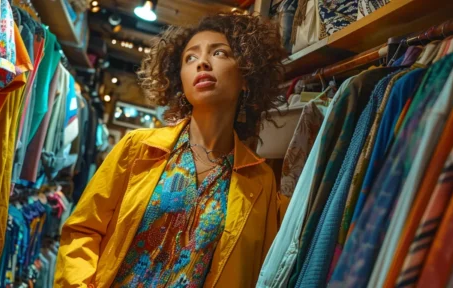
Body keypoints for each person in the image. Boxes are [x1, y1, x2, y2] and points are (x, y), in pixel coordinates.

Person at [56, 13, 289, 287]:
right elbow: (83, 229)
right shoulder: (139, 148)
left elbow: (255, 274)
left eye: (220, 53)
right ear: (180, 80)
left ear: (247, 76)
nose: (202, 62)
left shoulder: (259, 181)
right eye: (190, 58)